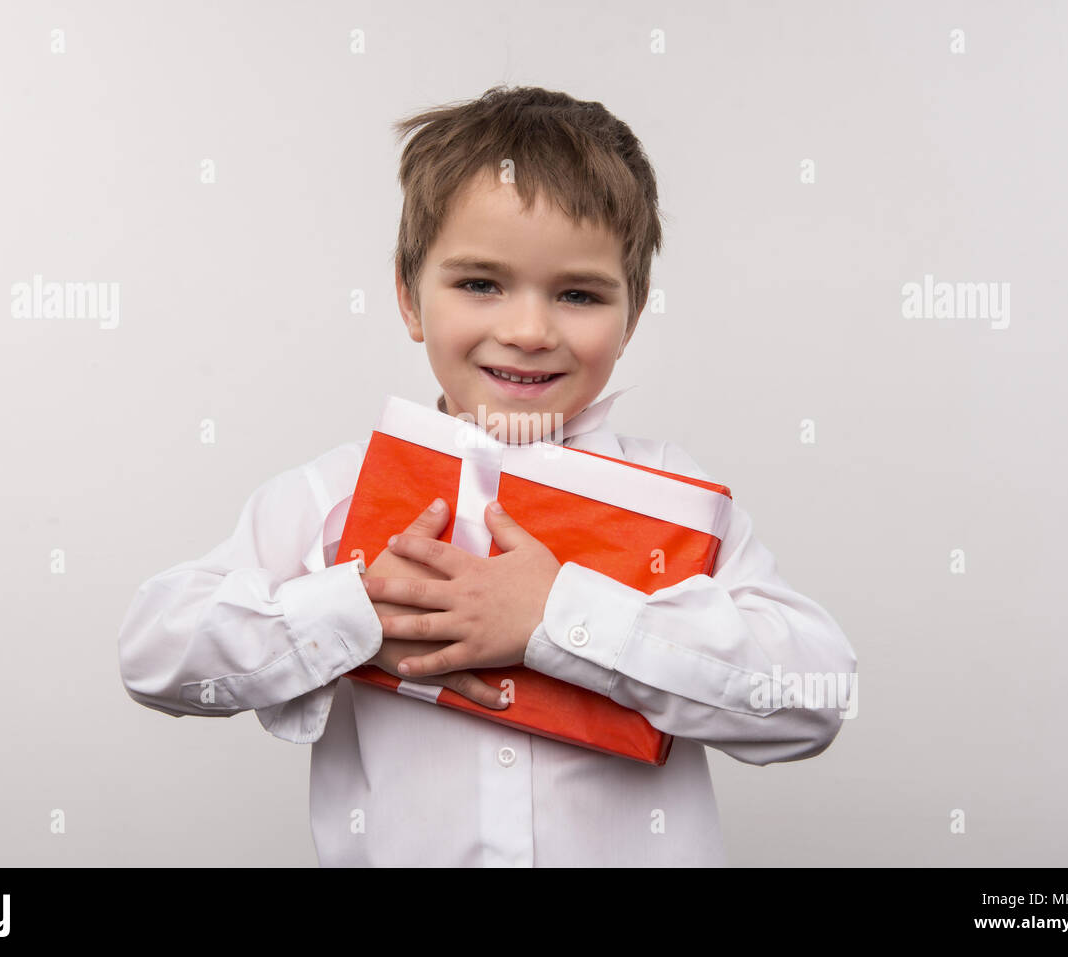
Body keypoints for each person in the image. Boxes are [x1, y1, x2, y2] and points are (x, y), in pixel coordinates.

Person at [117, 85, 857, 866]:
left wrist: (560, 616)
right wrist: (354, 618)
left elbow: (814, 698)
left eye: (578, 294)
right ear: (410, 297)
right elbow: (155, 656)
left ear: (632, 315)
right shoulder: (332, 496)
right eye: (480, 283)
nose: (528, 330)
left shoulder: (680, 500)